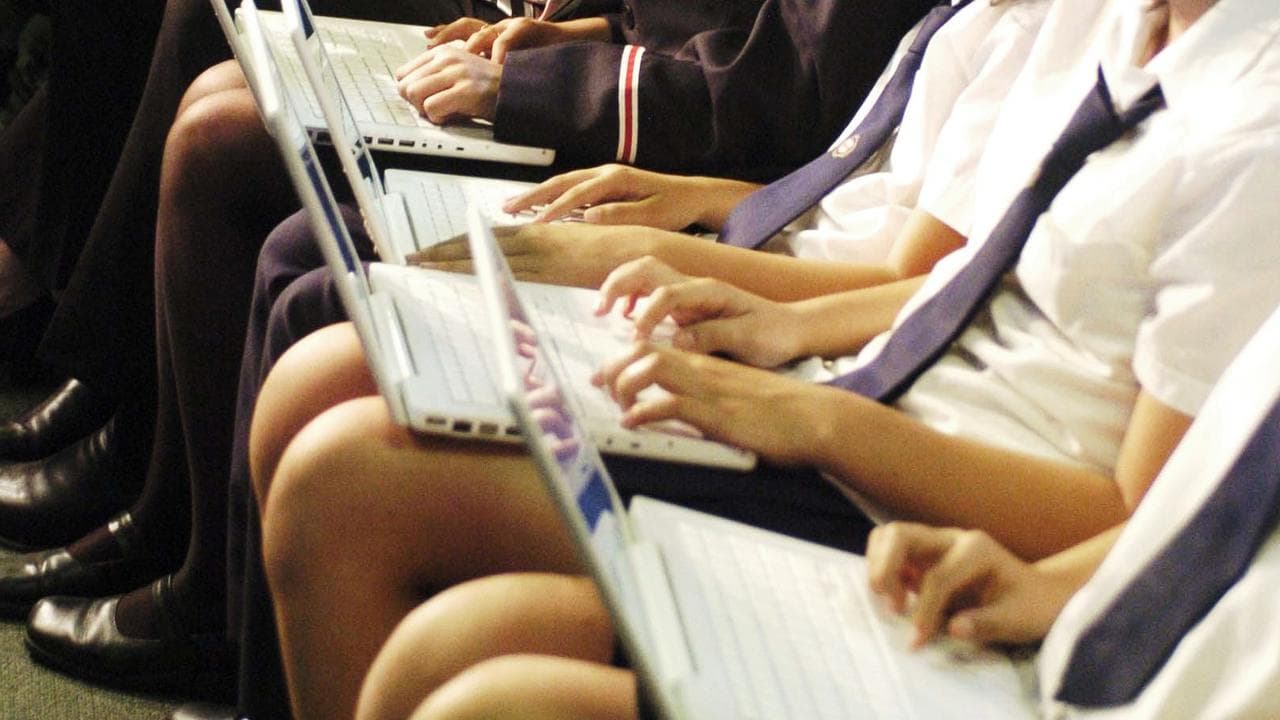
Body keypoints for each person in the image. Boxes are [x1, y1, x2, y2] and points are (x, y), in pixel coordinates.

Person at [241, 0, 1280, 716]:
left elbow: (1142, 516)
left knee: (365, 500)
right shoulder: (1132, 34)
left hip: (913, 471)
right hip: (881, 407)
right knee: (351, 452)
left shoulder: (1250, 128)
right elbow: (946, 273)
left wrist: (809, 404)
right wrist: (727, 258)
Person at [350, 285, 1280, 720]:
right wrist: (1052, 589)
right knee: (452, 649)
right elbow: (1199, 515)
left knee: (373, 499)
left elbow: (1132, 493)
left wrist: (823, 419)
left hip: (923, 468)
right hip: (1069, 623)